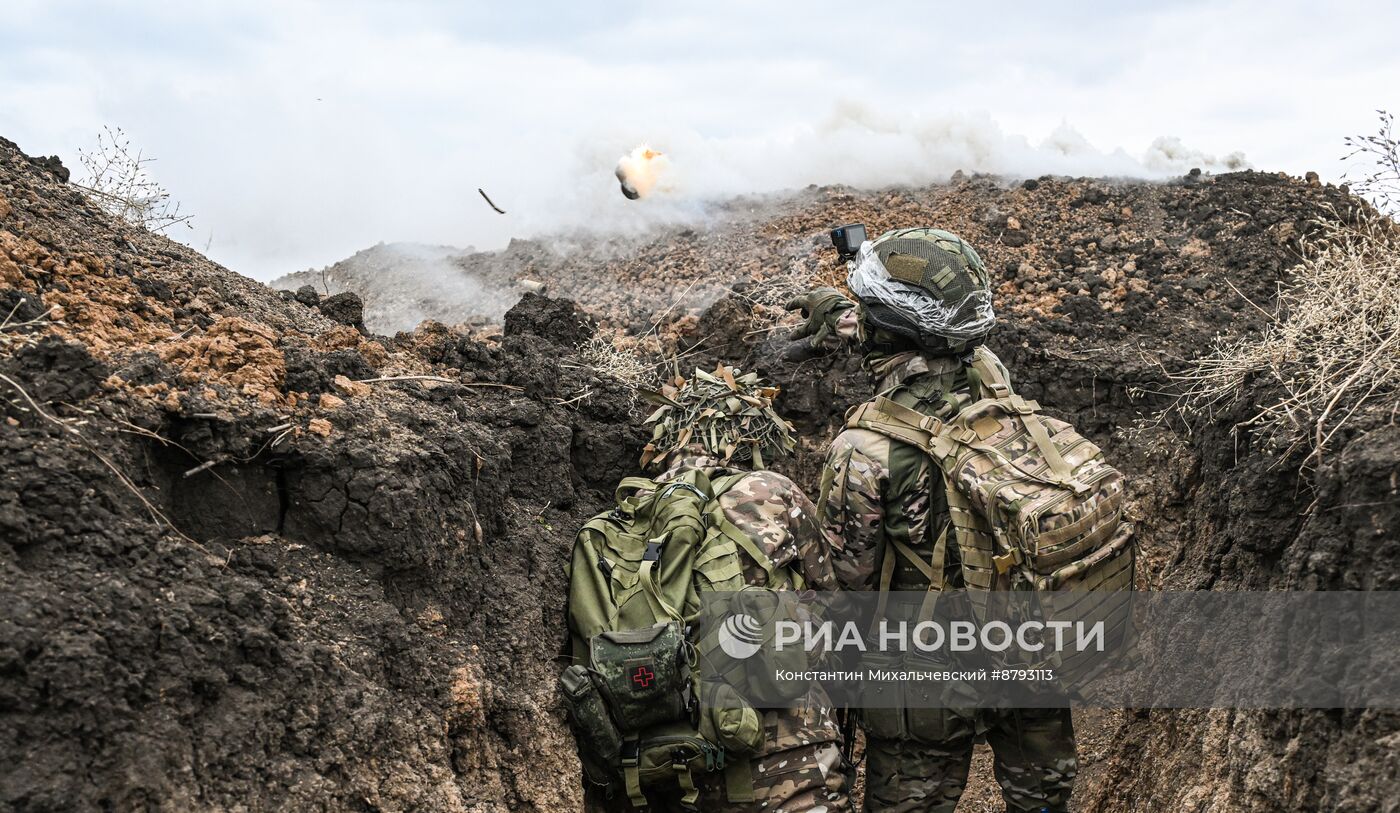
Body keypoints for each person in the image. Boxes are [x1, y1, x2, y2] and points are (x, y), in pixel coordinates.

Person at [788, 228, 1077, 813]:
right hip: (1027, 646)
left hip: (926, 676)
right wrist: (848, 312)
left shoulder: (863, 449)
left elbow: (844, 589)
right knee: (1042, 796)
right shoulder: (990, 376)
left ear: (888, 326)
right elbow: (930, 339)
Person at [640, 366, 851, 813]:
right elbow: (830, 596)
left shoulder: (636, 507)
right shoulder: (771, 491)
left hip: (675, 760)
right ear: (751, 437)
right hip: (790, 749)